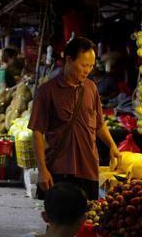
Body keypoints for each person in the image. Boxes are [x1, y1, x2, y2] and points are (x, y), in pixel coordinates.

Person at [29, 37, 121, 200]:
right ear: (69, 60)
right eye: (84, 65)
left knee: (86, 220)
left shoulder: (91, 88)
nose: (88, 71)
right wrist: (42, 170)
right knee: (59, 221)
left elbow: (99, 124)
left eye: (91, 66)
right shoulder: (46, 91)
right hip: (59, 169)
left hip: (88, 169)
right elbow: (37, 132)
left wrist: (112, 146)